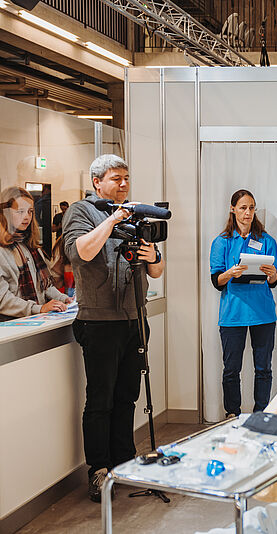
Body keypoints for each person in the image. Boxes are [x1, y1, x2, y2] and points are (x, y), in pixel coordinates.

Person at [63, 154, 164, 502]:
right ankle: (99, 468)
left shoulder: (135, 215)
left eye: (126, 178)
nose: (123, 184)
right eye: (116, 178)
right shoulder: (81, 212)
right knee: (100, 399)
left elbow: (156, 271)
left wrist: (153, 256)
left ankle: (124, 461)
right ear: (97, 182)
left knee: (127, 397)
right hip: (98, 322)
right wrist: (113, 219)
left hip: (135, 318)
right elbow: (81, 252)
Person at [210, 189, 277, 418]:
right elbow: (216, 281)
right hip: (233, 314)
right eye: (243, 208)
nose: (248, 213)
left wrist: (272, 274)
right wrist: (230, 273)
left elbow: (274, 282)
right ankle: (232, 414)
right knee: (231, 369)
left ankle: (261, 414)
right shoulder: (221, 242)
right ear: (233, 209)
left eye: (251, 208)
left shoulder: (267, 240)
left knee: (263, 368)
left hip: (263, 313)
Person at [0, 187, 71, 320]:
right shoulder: (2, 250)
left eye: (30, 211)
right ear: (5, 213)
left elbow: (44, 286)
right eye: (20, 212)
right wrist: (38, 308)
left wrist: (64, 299)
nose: (27, 217)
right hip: (10, 324)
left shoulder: (31, 246)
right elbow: (3, 299)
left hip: (34, 321)